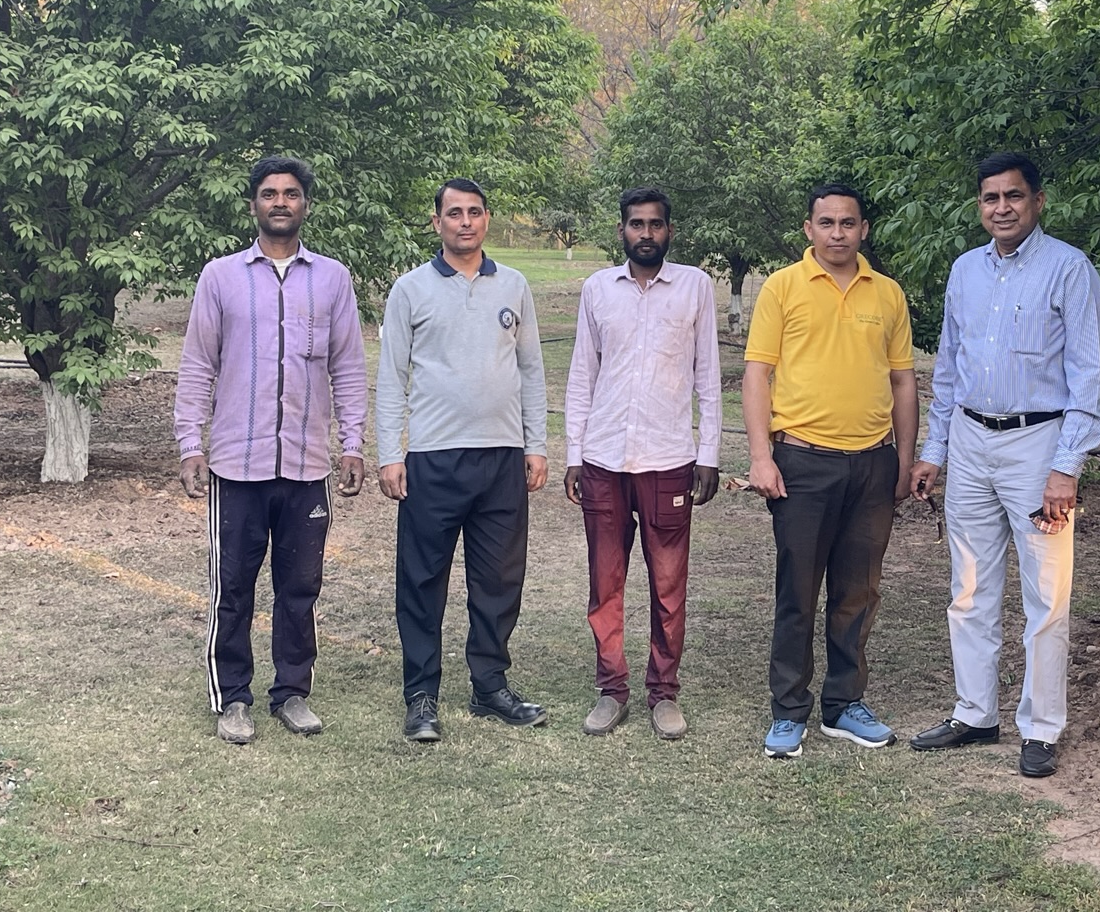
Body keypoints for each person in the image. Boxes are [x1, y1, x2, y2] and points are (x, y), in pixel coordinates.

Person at [907, 151, 1100, 779]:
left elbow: (1088, 378)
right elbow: (949, 368)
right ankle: (975, 712)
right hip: (969, 442)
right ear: (979, 205)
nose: (1002, 208)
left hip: (1037, 447)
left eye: (1014, 197)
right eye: (991, 198)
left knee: (1046, 595)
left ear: (1037, 201)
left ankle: (1041, 727)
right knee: (968, 588)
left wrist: (1066, 467)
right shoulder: (965, 271)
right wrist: (933, 451)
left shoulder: (1070, 271)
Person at [174, 155, 369, 745]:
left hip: (307, 467)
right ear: (254, 204)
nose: (279, 202)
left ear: (305, 204)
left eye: (290, 194)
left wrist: (353, 444)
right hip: (237, 466)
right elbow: (197, 367)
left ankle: (292, 693)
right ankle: (232, 698)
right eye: (268, 193)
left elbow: (349, 369)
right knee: (232, 588)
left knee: (299, 587)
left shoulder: (332, 278)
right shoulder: (221, 277)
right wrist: (191, 444)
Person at [742, 184, 918, 760]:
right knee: (797, 590)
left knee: (859, 591)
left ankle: (844, 705)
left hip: (872, 462)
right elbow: (757, 375)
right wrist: (763, 455)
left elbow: (902, 381)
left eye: (848, 223)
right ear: (808, 229)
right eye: (826, 223)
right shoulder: (783, 287)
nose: (837, 233)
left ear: (864, 229)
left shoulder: (887, 294)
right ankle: (789, 710)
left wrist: (905, 458)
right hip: (802, 461)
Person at [377, 178, 549, 742]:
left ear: (487, 220)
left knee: (498, 580)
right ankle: (421, 694)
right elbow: (391, 376)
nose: (465, 222)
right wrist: (389, 452)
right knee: (422, 580)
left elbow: (530, 371)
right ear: (437, 223)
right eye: (454, 213)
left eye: (475, 212)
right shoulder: (410, 289)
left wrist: (535, 444)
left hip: (500, 458)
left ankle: (489, 686)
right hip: (432, 457)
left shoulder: (515, 285)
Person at [563, 187, 722, 741]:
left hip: (669, 459)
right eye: (636, 224)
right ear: (622, 230)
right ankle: (612, 689)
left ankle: (664, 692)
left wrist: (709, 455)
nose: (646, 233)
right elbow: (582, 374)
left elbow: (707, 375)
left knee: (668, 584)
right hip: (604, 458)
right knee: (605, 583)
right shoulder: (598, 290)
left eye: (656, 224)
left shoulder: (695, 287)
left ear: (669, 232)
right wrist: (574, 454)